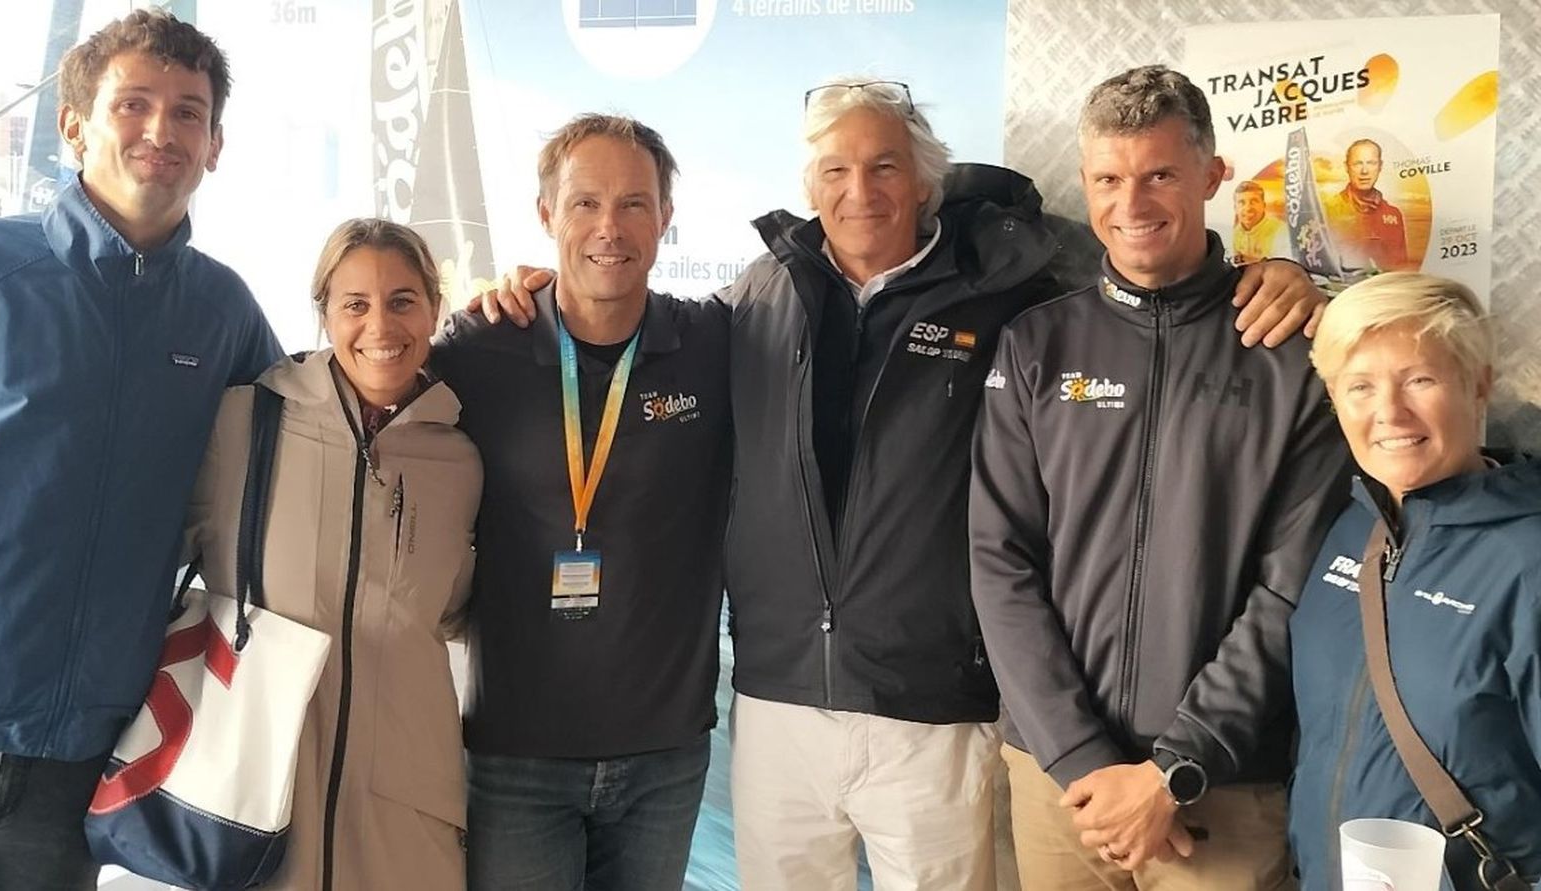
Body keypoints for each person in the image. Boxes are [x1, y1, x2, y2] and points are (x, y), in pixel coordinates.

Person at [477, 77, 1326, 891]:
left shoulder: (1007, 292)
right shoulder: (757, 295)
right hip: (780, 701)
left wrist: (1281, 274)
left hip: (932, 711)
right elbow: (619, 321)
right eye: (835, 170)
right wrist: (535, 292)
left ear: (926, 181)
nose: (860, 191)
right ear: (809, 185)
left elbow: (1150, 294)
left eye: (884, 165)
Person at [969, 65, 1351, 890]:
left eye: (1160, 175)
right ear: (1085, 182)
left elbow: (1295, 588)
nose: (1131, 204)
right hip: (1061, 784)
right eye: (1109, 178)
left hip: (1224, 787)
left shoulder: (1292, 353)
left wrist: (1175, 767)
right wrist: (1079, 757)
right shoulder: (1035, 345)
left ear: (1213, 176)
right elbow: (1000, 562)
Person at [0, 11, 281, 889]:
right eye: (133, 103)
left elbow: (325, 425)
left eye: (189, 112)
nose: (161, 130)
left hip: (83, 748)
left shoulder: (225, 314)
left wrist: (503, 317)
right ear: (74, 124)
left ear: (215, 145)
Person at [433, 114, 731, 891]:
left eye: (635, 203)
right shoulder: (480, 346)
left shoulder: (712, 343)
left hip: (663, 752)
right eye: (585, 203)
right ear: (545, 216)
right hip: (517, 751)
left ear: (666, 217)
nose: (610, 227)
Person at [180, 219, 481, 890]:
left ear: (434, 308)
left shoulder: (460, 458)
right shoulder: (240, 424)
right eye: (356, 304)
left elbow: (456, 606)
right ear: (324, 314)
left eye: (403, 300)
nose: (382, 324)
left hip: (408, 804)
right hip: (262, 794)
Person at [1290, 272, 1541, 890]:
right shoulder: (1351, 531)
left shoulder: (1526, 559)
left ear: (1477, 384)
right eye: (1360, 387)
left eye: (1419, 379)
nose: (1389, 413)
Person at [1324, 138, 1410, 272]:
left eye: (1371, 163)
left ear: (1380, 166)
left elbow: (1401, 269)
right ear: (1347, 167)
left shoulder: (1393, 214)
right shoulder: (1327, 210)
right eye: (1358, 163)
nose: (1364, 171)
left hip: (1383, 289)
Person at [1231, 180, 1292, 263]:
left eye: (1253, 201)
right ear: (1235, 208)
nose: (1248, 208)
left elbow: (1283, 266)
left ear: (1263, 205)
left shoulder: (1280, 231)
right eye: (1242, 203)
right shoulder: (1236, 232)